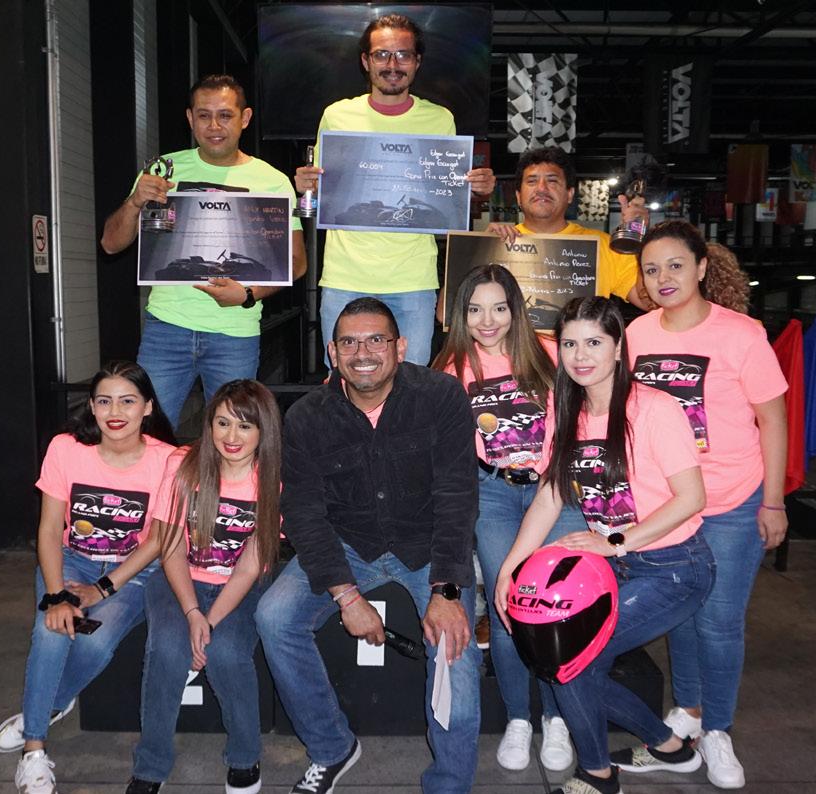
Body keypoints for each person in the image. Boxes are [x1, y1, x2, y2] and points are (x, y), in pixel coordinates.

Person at [256, 297, 481, 794]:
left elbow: (457, 494)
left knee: (457, 661)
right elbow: (304, 511)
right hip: (348, 543)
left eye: (376, 340)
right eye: (349, 342)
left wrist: (446, 590)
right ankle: (332, 746)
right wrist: (346, 595)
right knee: (274, 617)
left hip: (427, 546)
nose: (363, 353)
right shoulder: (308, 416)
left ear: (400, 347)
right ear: (332, 353)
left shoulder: (440, 396)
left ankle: (449, 784)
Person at [495, 296, 714, 794]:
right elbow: (550, 495)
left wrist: (614, 541)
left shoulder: (654, 408)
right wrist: (510, 568)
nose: (580, 355)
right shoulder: (567, 407)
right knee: (563, 659)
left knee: (569, 663)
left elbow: (691, 498)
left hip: (676, 568)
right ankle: (670, 747)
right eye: (570, 344)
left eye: (594, 342)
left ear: (618, 348)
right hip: (619, 564)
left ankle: (597, 773)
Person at [623, 221, 788, 790]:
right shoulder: (637, 334)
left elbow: (773, 420)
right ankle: (687, 712)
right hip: (667, 505)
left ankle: (717, 729)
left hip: (732, 502)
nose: (663, 277)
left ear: (700, 268)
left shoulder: (742, 334)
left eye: (675, 265)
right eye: (651, 269)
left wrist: (773, 502)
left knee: (718, 621)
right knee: (681, 614)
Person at [0, 361, 177, 794]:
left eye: (128, 401)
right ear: (92, 407)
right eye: (104, 401)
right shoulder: (66, 449)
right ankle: (33, 749)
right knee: (51, 629)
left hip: (133, 570)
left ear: (148, 407)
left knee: (95, 642)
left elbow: (157, 540)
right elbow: (47, 529)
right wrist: (57, 594)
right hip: (72, 560)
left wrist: (102, 589)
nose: (116, 411)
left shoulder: (169, 460)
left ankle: (46, 706)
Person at [430, 264, 582, 772]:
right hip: (493, 493)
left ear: (516, 309)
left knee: (554, 603)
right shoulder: (452, 367)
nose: (488, 320)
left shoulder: (549, 351)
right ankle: (519, 716)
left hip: (553, 490)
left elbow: (578, 416)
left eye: (499, 307)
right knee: (507, 603)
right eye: (475, 309)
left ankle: (557, 717)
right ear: (461, 315)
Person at [101, 74, 308, 425]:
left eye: (225, 115)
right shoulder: (161, 171)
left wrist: (247, 294)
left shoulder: (273, 181)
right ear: (189, 118)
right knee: (147, 433)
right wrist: (136, 202)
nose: (214, 126)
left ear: (245, 118)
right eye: (204, 115)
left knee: (232, 438)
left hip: (235, 332)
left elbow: (296, 263)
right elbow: (110, 243)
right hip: (166, 328)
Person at [293, 13, 496, 365]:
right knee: (343, 379)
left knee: (411, 381)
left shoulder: (440, 120)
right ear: (365, 61)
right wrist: (307, 186)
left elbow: (446, 194)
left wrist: (478, 189)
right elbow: (324, 190)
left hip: (413, 279)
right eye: (382, 54)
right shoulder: (337, 116)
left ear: (417, 62)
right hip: (345, 275)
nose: (392, 64)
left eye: (403, 55)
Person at [126, 380, 282, 794]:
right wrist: (193, 612)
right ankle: (151, 764)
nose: (232, 436)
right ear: (209, 424)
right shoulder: (183, 465)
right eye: (223, 423)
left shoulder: (274, 480)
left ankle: (245, 757)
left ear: (264, 431)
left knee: (227, 652)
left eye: (245, 426)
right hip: (179, 579)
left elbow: (249, 567)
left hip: (241, 586)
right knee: (167, 649)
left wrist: (209, 623)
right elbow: (171, 548)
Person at [486, 146, 654, 312]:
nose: (541, 188)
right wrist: (481, 246)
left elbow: (649, 302)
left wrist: (636, 239)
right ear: (518, 196)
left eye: (552, 181)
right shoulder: (498, 242)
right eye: (532, 181)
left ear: (570, 194)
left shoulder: (604, 245)